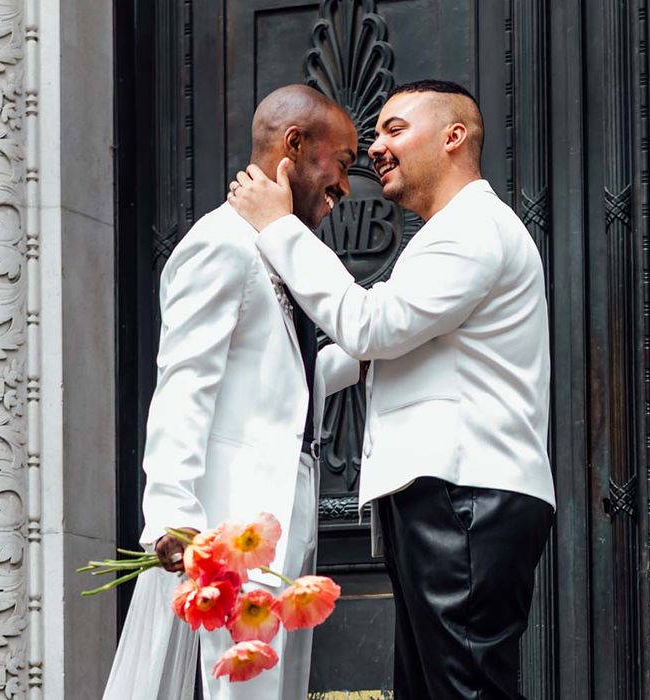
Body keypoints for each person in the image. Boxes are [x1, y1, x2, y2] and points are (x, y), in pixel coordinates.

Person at [228, 79, 556, 700]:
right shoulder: (448, 235)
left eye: (394, 129)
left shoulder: (473, 230)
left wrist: (278, 228)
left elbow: (372, 326)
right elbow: (365, 351)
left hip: (465, 496)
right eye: (375, 135)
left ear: (454, 136)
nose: (376, 148)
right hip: (451, 496)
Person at [103, 84, 361, 700]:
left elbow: (289, 383)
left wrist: (377, 346)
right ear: (295, 146)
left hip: (288, 510)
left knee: (278, 686)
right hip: (232, 516)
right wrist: (171, 513)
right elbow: (184, 381)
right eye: (343, 164)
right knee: (242, 688)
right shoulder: (219, 242)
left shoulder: (280, 247)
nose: (346, 187)